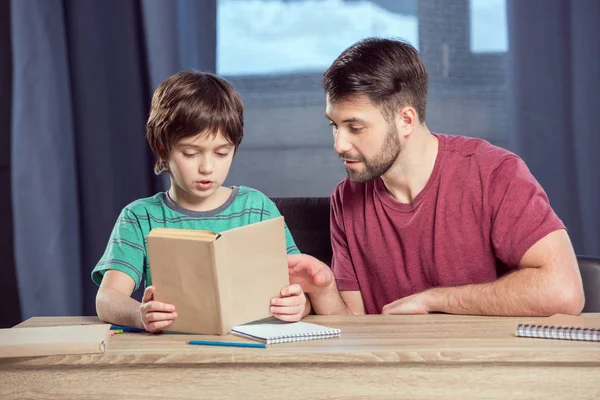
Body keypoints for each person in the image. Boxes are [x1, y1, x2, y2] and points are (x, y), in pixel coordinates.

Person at [288, 38, 584, 317]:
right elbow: (355, 325)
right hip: (391, 368)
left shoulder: (494, 172)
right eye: (335, 125)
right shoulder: (347, 198)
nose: (339, 144)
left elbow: (564, 291)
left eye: (355, 127)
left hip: (489, 365)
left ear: (405, 120)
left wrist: (434, 300)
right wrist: (324, 289)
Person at [92, 71, 309, 332]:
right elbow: (107, 299)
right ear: (163, 148)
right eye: (191, 153)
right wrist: (140, 314)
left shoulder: (258, 208)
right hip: (176, 352)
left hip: (253, 349)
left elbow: (300, 289)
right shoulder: (140, 217)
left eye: (221, 153)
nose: (207, 168)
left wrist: (300, 305)